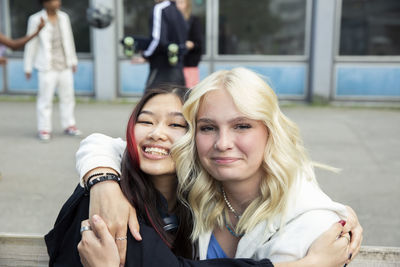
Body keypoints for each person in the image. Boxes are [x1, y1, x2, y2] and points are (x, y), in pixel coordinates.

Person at [47, 85, 356, 267]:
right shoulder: (104, 204)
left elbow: (273, 169)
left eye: (176, 125)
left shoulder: (196, 199)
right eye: (145, 121)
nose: (157, 134)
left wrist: (335, 212)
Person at [24, 0, 81, 141]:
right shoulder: (36, 19)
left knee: (68, 97)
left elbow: (69, 39)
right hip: (47, 66)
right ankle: (44, 128)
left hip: (64, 64)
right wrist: (28, 66)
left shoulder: (64, 17)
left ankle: (69, 125)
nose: (57, 3)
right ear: (45, 3)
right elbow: (31, 42)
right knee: (45, 99)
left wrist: (73, 60)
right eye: (53, 0)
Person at [132, 0, 188, 90]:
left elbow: (157, 40)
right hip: (178, 72)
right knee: (178, 101)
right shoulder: (177, 11)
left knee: (150, 101)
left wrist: (145, 56)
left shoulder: (159, 8)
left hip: (160, 71)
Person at [176, 0, 203, 88]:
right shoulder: (172, 22)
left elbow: (198, 44)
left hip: (189, 65)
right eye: (176, 2)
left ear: (187, 5)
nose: (178, 5)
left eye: (181, 3)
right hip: (175, 66)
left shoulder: (193, 21)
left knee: (189, 94)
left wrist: (188, 45)